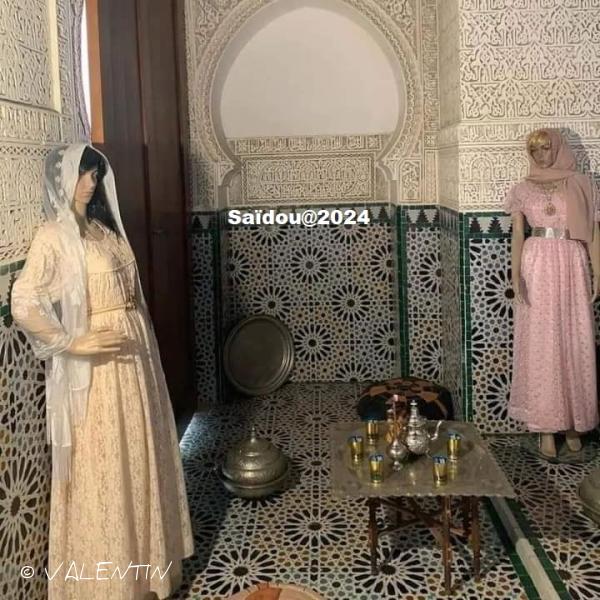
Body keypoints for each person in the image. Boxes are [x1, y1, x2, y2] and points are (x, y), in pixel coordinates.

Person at [11, 143, 194, 599]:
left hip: (136, 360)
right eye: (82, 174)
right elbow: (23, 301)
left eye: (94, 174)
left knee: (139, 456)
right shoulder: (53, 236)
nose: (90, 183)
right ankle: (111, 583)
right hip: (100, 372)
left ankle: (147, 573)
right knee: (108, 465)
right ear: (60, 179)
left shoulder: (100, 229)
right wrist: (70, 342)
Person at [505, 128, 600, 459]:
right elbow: (518, 233)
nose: (540, 155)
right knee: (542, 343)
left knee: (574, 339)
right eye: (534, 150)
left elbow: (593, 231)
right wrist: (515, 273)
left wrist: (598, 271)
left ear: (558, 149)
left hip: (572, 262)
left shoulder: (580, 184)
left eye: (546, 148)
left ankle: (574, 423)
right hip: (536, 265)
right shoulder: (522, 189)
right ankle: (546, 427)